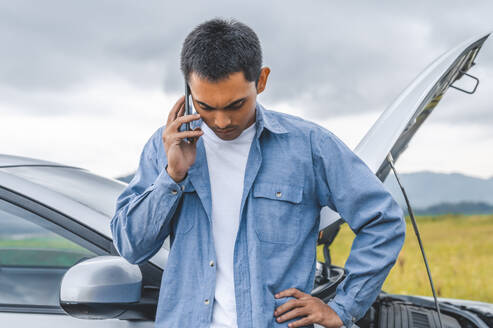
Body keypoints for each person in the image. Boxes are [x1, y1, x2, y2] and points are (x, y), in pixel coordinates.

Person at [110, 18, 405, 328]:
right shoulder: (164, 148)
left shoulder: (309, 146)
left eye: (236, 104)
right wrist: (172, 176)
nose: (221, 121)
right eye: (206, 106)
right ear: (188, 88)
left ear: (261, 81)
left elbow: (382, 220)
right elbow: (131, 248)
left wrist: (343, 306)